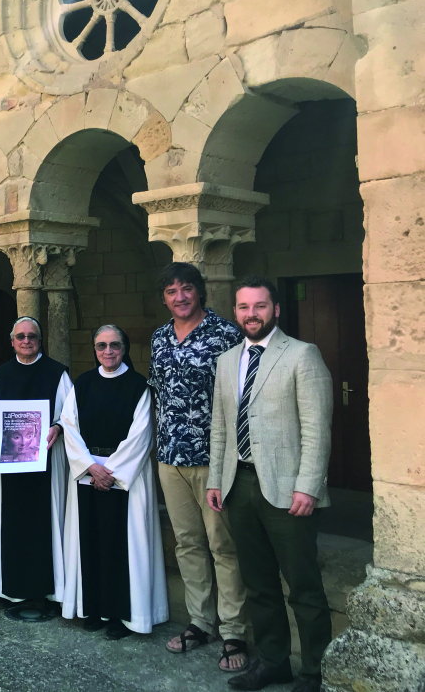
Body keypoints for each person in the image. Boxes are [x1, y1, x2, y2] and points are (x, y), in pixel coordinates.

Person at [207, 277, 333, 692]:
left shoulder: (301, 355)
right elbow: (221, 428)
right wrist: (215, 479)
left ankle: (315, 672)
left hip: (287, 489)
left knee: (303, 586)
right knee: (258, 583)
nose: (251, 314)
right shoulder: (227, 361)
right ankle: (274, 662)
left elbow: (317, 428)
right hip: (238, 486)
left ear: (275, 310)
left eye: (260, 306)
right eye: (243, 307)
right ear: (236, 312)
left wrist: (308, 486)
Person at [149, 262, 250, 671]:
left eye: (186, 288)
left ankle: (233, 632)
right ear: (164, 298)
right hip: (170, 457)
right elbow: (157, 396)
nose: (180, 297)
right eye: (172, 291)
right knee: (188, 543)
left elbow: (239, 398)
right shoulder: (158, 338)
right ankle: (200, 621)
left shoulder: (226, 334)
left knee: (223, 546)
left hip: (212, 458)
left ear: (199, 292)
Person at [61, 325, 168, 639]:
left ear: (125, 349)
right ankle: (94, 608)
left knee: (122, 546)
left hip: (126, 479)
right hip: (88, 475)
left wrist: (112, 473)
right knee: (91, 542)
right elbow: (69, 427)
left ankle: (121, 615)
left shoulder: (139, 386)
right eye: (101, 346)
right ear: (94, 349)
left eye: (115, 345)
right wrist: (91, 468)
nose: (108, 351)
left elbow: (142, 434)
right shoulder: (82, 385)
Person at [0, 317, 73, 617]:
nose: (26, 341)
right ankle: (13, 591)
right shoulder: (1, 375)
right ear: (13, 341)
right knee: (11, 521)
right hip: (10, 465)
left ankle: (48, 590)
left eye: (32, 336)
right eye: (21, 337)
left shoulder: (57, 374)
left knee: (46, 520)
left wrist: (57, 427)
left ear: (40, 340)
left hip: (47, 459)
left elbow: (70, 414)